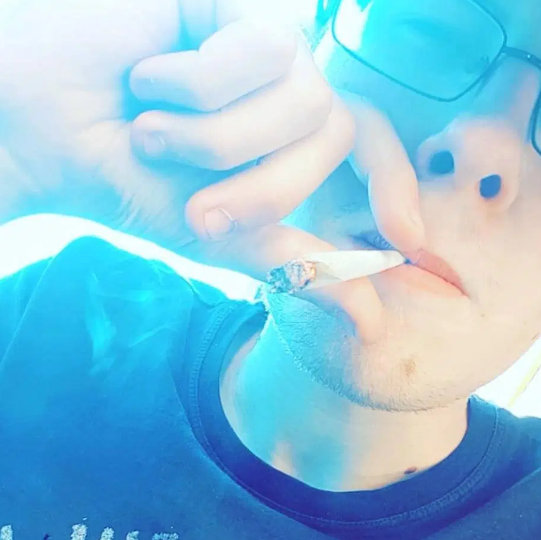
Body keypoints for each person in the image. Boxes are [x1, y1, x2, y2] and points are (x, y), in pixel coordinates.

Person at [1, 0, 541, 538]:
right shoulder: (57, 312)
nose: (478, 144)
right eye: (432, 29)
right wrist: (15, 150)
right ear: (315, 43)